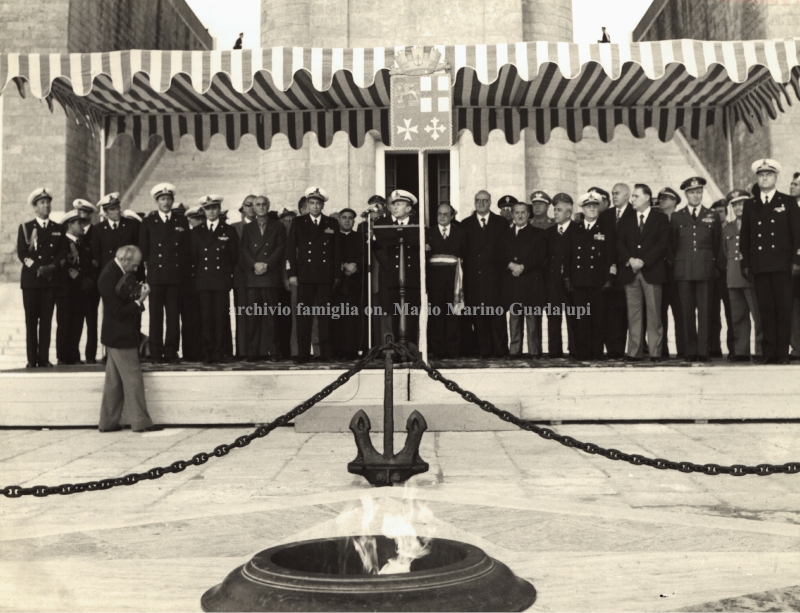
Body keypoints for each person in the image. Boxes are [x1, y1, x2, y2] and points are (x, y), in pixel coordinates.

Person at [740, 158, 800, 364]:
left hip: (783, 265)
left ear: (776, 177)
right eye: (761, 175)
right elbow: (745, 237)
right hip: (760, 264)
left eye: (769, 175)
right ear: (757, 178)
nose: (764, 178)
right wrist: (745, 263)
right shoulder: (750, 205)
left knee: (783, 309)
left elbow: (797, 235)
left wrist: (796, 261)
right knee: (765, 310)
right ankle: (769, 352)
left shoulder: (788, 202)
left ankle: (782, 353)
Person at [97, 245, 161, 433]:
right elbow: (118, 311)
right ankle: (141, 422)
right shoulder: (108, 277)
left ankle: (107, 423)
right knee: (133, 378)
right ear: (124, 260)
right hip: (120, 336)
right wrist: (140, 300)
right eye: (134, 265)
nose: (135, 269)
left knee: (114, 383)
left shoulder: (115, 270)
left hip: (116, 335)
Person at [286, 187, 341, 363]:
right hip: (304, 275)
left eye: (318, 203)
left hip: (325, 276)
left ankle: (324, 353)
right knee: (304, 316)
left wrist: (337, 275)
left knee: (324, 315)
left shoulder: (331, 223)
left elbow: (336, 252)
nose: (315, 207)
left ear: (322, 205)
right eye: (312, 203)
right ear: (307, 205)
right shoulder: (298, 221)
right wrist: (291, 274)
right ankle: (302, 354)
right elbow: (290, 250)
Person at [670, 177, 722, 362]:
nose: (695, 195)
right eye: (692, 192)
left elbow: (717, 244)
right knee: (686, 312)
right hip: (683, 270)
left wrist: (714, 265)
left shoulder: (712, 215)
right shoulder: (676, 216)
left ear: (702, 193)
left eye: (698, 192)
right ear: (686, 194)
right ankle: (690, 350)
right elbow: (673, 244)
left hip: (705, 268)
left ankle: (703, 350)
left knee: (706, 311)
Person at [617, 183, 670, 362]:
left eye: (635, 196)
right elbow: (619, 243)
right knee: (634, 314)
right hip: (630, 272)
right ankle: (634, 351)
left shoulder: (660, 219)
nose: (632, 199)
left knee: (654, 314)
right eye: (632, 196)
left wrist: (644, 261)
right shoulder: (626, 218)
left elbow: (663, 244)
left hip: (652, 271)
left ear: (647, 198)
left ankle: (655, 352)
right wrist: (630, 260)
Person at [139, 183, 190, 363]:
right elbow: (144, 249)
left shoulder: (181, 221)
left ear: (172, 201)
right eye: (162, 199)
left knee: (173, 316)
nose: (166, 202)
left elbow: (185, 249)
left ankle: (170, 351)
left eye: (169, 199)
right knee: (156, 317)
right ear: (157, 201)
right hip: (156, 275)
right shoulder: (148, 222)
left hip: (175, 276)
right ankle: (155, 351)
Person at [563, 191, 616, 361]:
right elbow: (567, 256)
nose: (592, 209)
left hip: (598, 282)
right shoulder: (574, 229)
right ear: (583, 209)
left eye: (595, 206)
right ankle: (583, 352)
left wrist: (610, 278)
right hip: (578, 282)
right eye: (588, 206)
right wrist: (566, 277)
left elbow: (611, 257)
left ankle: (597, 352)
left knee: (598, 319)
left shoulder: (606, 229)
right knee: (581, 319)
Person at [18, 187, 67, 368]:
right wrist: (38, 268)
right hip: (32, 281)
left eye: (48, 202)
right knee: (31, 321)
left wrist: (52, 267)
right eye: (42, 203)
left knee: (46, 320)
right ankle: (32, 359)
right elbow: (23, 254)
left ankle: (44, 358)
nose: (46, 206)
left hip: (50, 280)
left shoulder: (58, 228)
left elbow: (63, 252)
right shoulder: (25, 228)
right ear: (35, 207)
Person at [190, 195, 239, 364]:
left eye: (214, 208)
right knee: (206, 318)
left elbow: (234, 257)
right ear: (203, 211)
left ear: (219, 210)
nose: (211, 211)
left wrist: (226, 276)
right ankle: (207, 352)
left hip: (221, 281)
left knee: (220, 318)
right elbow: (194, 258)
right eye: (208, 208)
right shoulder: (196, 232)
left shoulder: (229, 231)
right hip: (204, 281)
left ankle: (219, 352)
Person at [461, 190, 509, 359]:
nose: (481, 203)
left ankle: (501, 351)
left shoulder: (501, 222)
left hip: (495, 277)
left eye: (484, 201)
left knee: (497, 316)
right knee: (479, 316)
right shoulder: (465, 223)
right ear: (474, 203)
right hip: (475, 277)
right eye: (478, 200)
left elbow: (505, 250)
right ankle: (484, 351)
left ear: (490, 202)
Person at [373, 190, 422, 348]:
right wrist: (389, 267)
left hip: (412, 276)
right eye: (393, 204)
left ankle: (411, 347)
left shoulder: (418, 223)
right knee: (395, 313)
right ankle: (396, 348)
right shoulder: (382, 223)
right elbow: (377, 248)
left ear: (408, 208)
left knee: (412, 313)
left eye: (399, 204)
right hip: (393, 276)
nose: (395, 207)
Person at [240, 195, 286, 361]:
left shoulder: (278, 226)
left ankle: (274, 352)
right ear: (253, 207)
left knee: (272, 318)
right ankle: (253, 352)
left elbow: (281, 248)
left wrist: (266, 264)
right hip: (253, 277)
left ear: (268, 206)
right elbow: (244, 250)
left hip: (270, 276)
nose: (260, 207)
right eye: (257, 205)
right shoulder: (248, 228)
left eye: (263, 204)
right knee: (252, 318)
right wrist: (255, 265)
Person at [501, 200, 547, 358]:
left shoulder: (539, 234)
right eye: (517, 212)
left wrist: (522, 267)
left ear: (528, 215)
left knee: (533, 321)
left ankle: (535, 352)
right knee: (514, 320)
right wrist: (510, 265)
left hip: (531, 283)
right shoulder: (505, 235)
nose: (520, 215)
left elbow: (540, 256)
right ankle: (515, 351)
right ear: (512, 215)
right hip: (513, 283)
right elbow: (498, 255)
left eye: (523, 212)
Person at [721, 189, 762, 362]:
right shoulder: (727, 228)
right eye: (735, 204)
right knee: (738, 317)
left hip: (752, 278)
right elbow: (724, 252)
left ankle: (761, 351)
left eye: (742, 203)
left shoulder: (756, 224)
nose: (739, 207)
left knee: (758, 317)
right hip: (734, 278)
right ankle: (741, 351)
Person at [598, 182, 635, 359]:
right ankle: (613, 349)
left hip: (628, 270)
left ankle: (626, 348)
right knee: (611, 312)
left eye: (617, 193)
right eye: (612, 193)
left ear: (627, 195)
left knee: (625, 313)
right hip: (609, 272)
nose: (614, 196)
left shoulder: (635, 213)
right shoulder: (606, 215)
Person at [55, 209, 96, 365]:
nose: (82, 226)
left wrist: (88, 280)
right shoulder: (62, 243)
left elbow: (88, 264)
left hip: (80, 291)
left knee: (77, 324)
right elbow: (61, 266)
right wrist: (78, 278)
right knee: (65, 324)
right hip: (65, 291)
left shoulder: (83, 243)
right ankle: (63, 357)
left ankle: (74, 355)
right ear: (70, 225)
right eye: (79, 223)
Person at [426, 203, 464, 359]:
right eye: (439, 214)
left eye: (445, 214)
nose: (441, 217)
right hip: (435, 282)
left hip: (454, 281)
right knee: (436, 316)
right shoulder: (428, 233)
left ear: (452, 216)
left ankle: (452, 349)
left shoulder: (460, 233)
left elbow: (464, 253)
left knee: (453, 315)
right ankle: (438, 349)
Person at [542, 193, 575, 358]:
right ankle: (554, 351)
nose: (555, 213)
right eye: (554, 210)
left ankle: (574, 349)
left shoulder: (578, 230)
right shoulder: (549, 232)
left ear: (568, 214)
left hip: (571, 282)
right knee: (553, 317)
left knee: (573, 317)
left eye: (559, 210)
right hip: (553, 282)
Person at [655, 187, 686, 359]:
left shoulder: (680, 218)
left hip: (677, 273)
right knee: (660, 314)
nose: (662, 201)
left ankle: (683, 349)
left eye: (666, 198)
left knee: (680, 312)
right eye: (661, 198)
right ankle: (662, 350)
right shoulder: (656, 220)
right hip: (660, 273)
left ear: (674, 201)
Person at [333, 208, 365, 359]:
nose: (347, 220)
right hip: (336, 284)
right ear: (338, 219)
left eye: (350, 218)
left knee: (352, 319)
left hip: (354, 283)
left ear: (354, 221)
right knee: (336, 317)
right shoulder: (332, 236)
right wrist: (343, 266)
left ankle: (351, 351)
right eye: (344, 217)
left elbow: (364, 256)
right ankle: (337, 350)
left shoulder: (360, 237)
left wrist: (355, 267)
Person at [74, 199, 101, 364]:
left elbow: (98, 257)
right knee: (76, 320)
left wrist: (93, 279)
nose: (82, 221)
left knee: (92, 320)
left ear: (91, 215)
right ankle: (74, 355)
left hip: (92, 283)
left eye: (85, 217)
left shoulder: (97, 231)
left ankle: (90, 355)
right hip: (77, 284)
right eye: (80, 218)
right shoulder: (72, 232)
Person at [708, 198, 734, 358]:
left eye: (721, 212)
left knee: (732, 314)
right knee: (712, 314)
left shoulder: (730, 228)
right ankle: (714, 347)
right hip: (713, 276)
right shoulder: (710, 228)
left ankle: (734, 347)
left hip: (727, 275)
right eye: (716, 212)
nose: (719, 215)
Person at [231, 195, 257, 358]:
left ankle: (258, 351)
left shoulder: (265, 225)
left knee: (259, 314)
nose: (252, 208)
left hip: (262, 276)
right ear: (243, 208)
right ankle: (242, 351)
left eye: (255, 205)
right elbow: (234, 253)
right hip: (242, 276)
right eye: (248, 205)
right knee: (242, 315)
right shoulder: (235, 228)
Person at [181, 206, 206, 361]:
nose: (199, 222)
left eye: (201, 219)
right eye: (195, 219)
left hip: (204, 281)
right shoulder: (186, 236)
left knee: (204, 319)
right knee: (189, 320)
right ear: (189, 220)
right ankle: (189, 353)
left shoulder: (208, 235)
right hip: (188, 283)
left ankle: (203, 351)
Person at [276, 208, 297, 359]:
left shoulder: (297, 235)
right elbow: (282, 260)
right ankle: (285, 351)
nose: (288, 223)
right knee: (283, 318)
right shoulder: (280, 237)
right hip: (282, 283)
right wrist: (285, 278)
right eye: (285, 220)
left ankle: (294, 350)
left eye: (291, 220)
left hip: (297, 281)